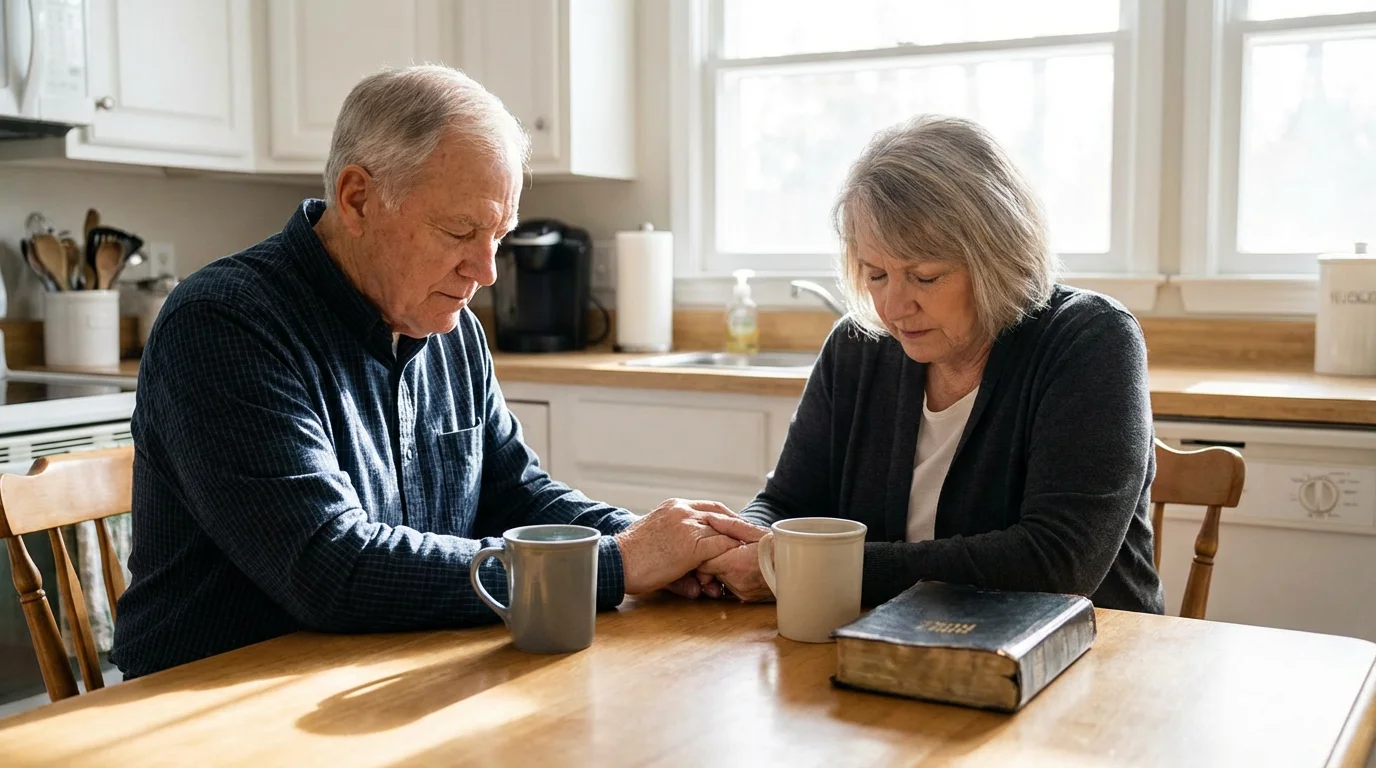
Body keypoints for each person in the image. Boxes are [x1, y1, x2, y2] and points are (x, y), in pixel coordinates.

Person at [112, 65, 756, 678]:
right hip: (212, 701)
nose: (487, 271)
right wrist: (613, 565)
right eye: (459, 231)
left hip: (378, 671)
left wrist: (657, 543)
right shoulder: (224, 322)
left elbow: (514, 494)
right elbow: (328, 565)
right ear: (358, 198)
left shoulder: (451, 330)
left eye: (498, 235)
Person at [696, 115, 1164, 613]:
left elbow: (1058, 562)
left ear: (996, 259)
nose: (894, 308)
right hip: (897, 647)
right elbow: (790, 503)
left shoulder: (1090, 338)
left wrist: (804, 568)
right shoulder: (859, 346)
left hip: (1092, 659)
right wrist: (739, 542)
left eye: (924, 277)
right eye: (875, 274)